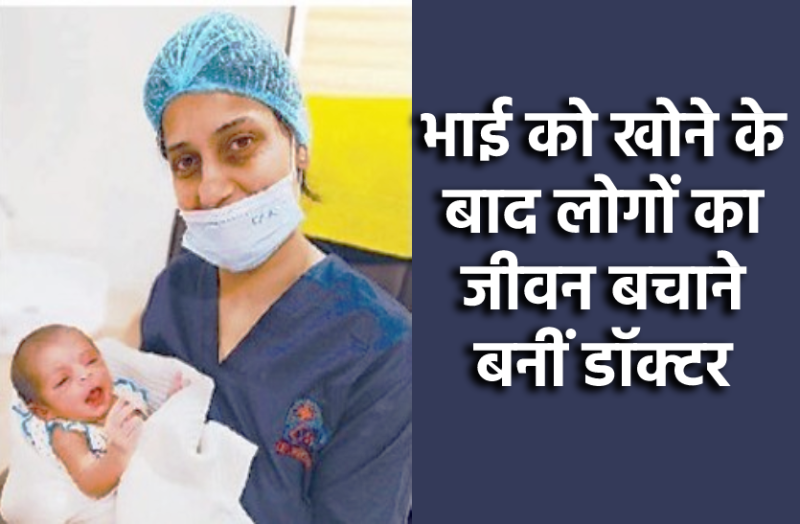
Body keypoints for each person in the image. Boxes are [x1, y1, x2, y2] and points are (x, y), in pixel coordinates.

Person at [140, 11, 412, 524]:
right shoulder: (175, 291)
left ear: (297, 145)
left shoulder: (383, 348)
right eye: (186, 162)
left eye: (240, 144)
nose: (211, 188)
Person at [9, 324, 156, 499]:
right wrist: (117, 452)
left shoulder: (120, 392)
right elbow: (91, 484)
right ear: (44, 412)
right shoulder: (67, 434)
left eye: (90, 361)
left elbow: (149, 420)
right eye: (63, 380)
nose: (84, 375)